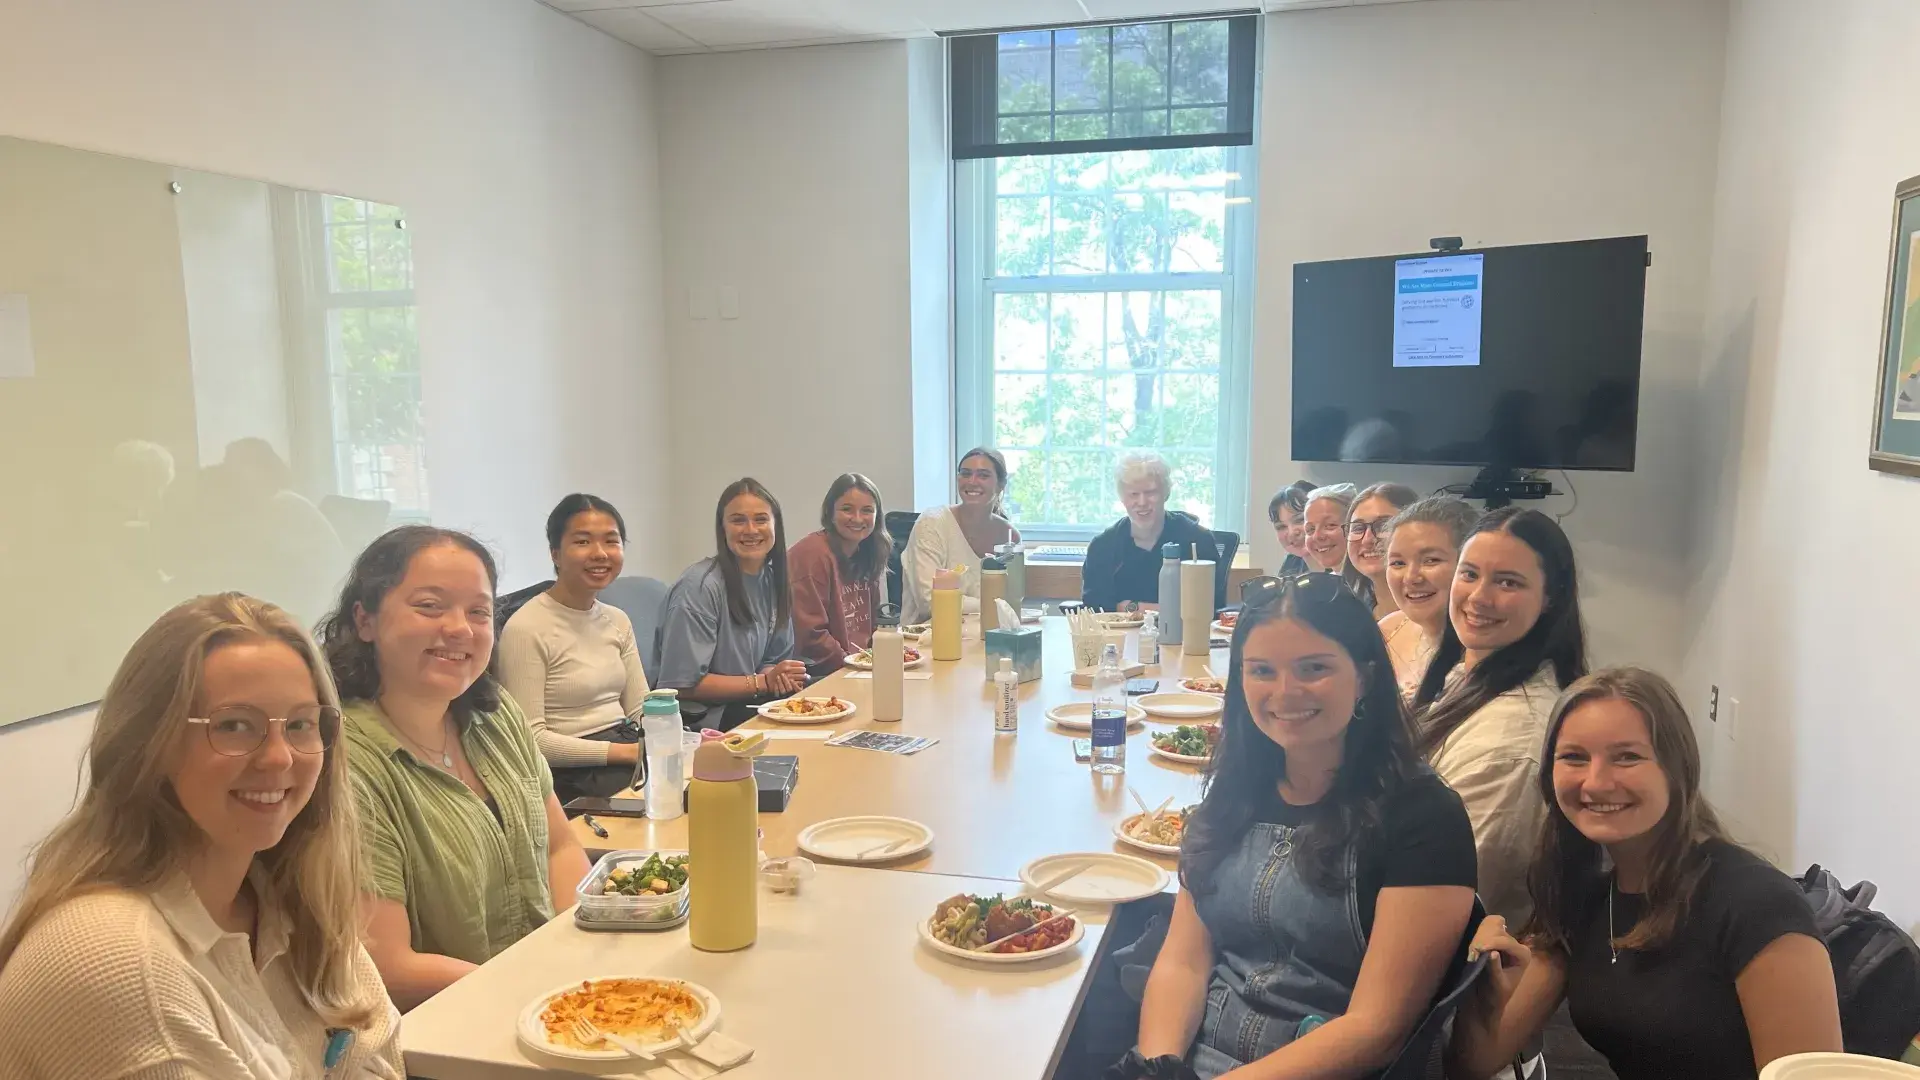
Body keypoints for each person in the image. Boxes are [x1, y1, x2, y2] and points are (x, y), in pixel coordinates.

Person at [0, 593, 402, 1079]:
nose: (278, 757)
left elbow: (378, 1059)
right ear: (151, 745)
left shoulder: (285, 897)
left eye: (299, 724)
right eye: (234, 725)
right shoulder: (117, 959)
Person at [1120, 573, 1478, 1080]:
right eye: (1261, 670)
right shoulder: (1234, 791)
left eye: (1314, 668)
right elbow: (1184, 962)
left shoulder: (1423, 818)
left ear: (1367, 678)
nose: (1285, 693)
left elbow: (1376, 1029)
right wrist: (1157, 1068)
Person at [1448, 668, 1843, 1080]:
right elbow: (1477, 1062)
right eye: (1574, 757)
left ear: (1677, 769)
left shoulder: (1757, 904)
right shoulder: (1586, 898)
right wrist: (1485, 994)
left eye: (1627, 757)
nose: (1596, 783)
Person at [319, 526, 590, 1010]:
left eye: (479, 612)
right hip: (447, 1030)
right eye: (430, 606)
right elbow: (389, 967)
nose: (460, 628)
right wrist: (534, 989)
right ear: (365, 620)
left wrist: (579, 957)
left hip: (550, 1002)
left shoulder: (495, 713)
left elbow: (559, 845)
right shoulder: (348, 763)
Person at [1411, 507, 1587, 928]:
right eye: (1469, 574)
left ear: (1551, 598)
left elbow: (1448, 895)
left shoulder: (1512, 738)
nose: (1478, 597)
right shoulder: (1468, 673)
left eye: (1508, 582)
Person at [497, 494, 651, 803]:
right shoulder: (526, 627)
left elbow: (641, 708)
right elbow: (532, 741)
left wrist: (675, 740)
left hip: (628, 755)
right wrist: (624, 753)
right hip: (570, 775)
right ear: (555, 553)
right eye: (582, 542)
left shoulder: (617, 620)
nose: (600, 554)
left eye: (611, 541)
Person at [656, 478, 806, 731]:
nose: (750, 530)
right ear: (722, 528)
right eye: (738, 520)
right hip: (706, 719)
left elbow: (773, 658)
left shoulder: (773, 580)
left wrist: (777, 675)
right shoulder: (700, 586)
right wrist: (763, 683)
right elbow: (681, 686)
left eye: (760, 519)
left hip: (751, 702)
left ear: (775, 526)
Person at [1082, 452, 1223, 613]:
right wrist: (1166, 610)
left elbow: (1211, 607)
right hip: (1118, 636)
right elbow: (1093, 606)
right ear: (1122, 498)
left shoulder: (1197, 540)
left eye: (1150, 493)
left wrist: (1131, 607)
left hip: (1183, 635)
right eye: (1133, 494)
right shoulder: (1103, 545)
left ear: (1165, 494)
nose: (1142, 502)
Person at [901, 447, 1020, 625]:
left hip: (987, 638)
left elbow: (1012, 603)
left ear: (1001, 484)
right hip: (925, 640)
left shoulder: (1009, 536)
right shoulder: (931, 524)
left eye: (983, 475)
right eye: (965, 474)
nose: (972, 481)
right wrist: (991, 606)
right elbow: (930, 601)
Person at [1378, 497, 1481, 699]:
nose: (1411, 577)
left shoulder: (1482, 650)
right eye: (1398, 563)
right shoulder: (1389, 629)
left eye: (1431, 560)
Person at [788, 473, 889, 675]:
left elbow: (874, 622)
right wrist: (855, 667)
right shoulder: (812, 555)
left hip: (858, 667)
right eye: (846, 509)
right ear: (830, 512)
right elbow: (811, 636)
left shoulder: (868, 551)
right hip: (821, 673)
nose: (858, 518)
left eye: (867, 510)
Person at [1344, 482, 1419, 620]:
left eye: (1383, 526)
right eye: (1358, 528)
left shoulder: (1433, 619)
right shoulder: (1350, 615)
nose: (1367, 539)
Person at [1302, 483, 1357, 575]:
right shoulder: (1327, 585)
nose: (1317, 536)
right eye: (1310, 529)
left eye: (1330, 525)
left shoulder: (1376, 583)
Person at [1268, 479, 1316, 577]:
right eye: (1281, 527)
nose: (1291, 533)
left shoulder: (1349, 566)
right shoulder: (1291, 564)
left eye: (1300, 520)